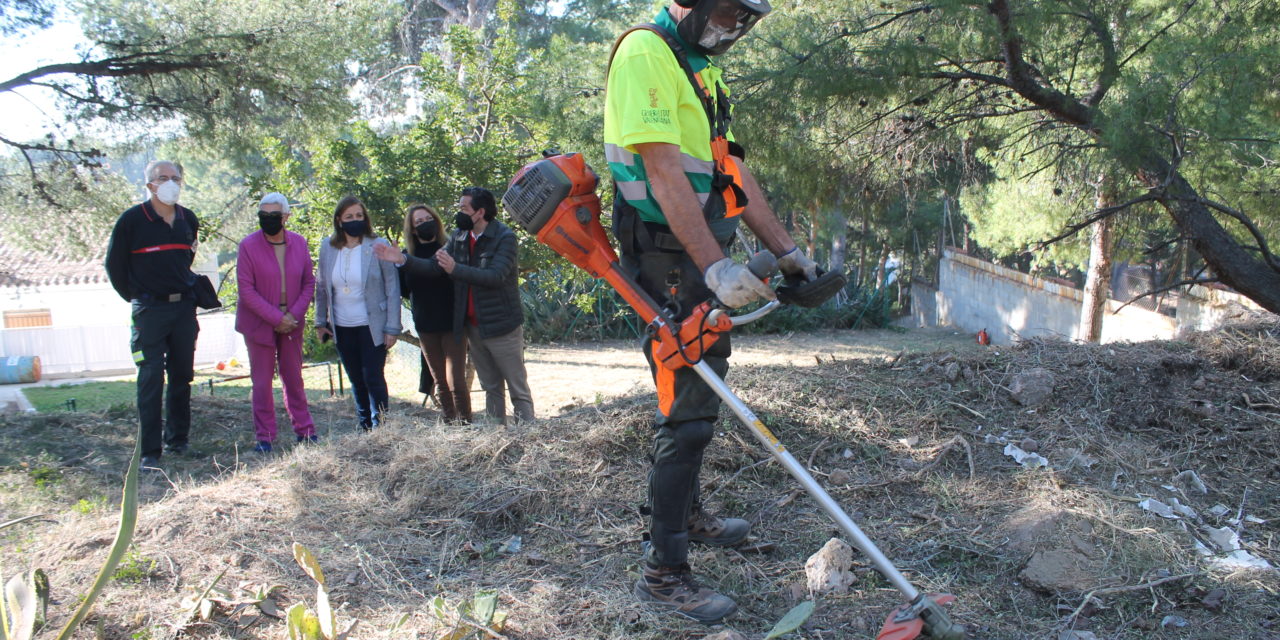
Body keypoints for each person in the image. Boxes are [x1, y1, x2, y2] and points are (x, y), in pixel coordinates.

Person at [604, 0, 835, 623]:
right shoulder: (647, 54)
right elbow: (663, 174)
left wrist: (788, 254)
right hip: (667, 255)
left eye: (747, 16)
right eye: (731, 9)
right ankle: (663, 573)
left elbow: (729, 169)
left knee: (703, 392)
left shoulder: (697, 66)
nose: (736, 24)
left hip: (698, 249)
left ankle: (687, 516)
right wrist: (714, 267)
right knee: (687, 415)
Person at [374, 187, 532, 424]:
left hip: (502, 326)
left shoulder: (504, 237)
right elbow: (433, 266)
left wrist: (455, 269)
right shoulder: (459, 236)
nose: (458, 213)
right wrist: (402, 260)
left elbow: (495, 276)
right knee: (491, 387)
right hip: (474, 327)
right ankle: (495, 439)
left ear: (479, 212)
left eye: (463, 208)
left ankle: (528, 436)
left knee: (517, 388)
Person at [105, 160, 202, 470]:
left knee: (182, 376)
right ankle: (150, 450)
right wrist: (139, 299)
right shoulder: (132, 221)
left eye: (176, 177)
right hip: (149, 310)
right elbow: (115, 267)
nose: (170, 182)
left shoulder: (188, 218)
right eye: (163, 178)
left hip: (183, 309)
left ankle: (178, 440)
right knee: (150, 378)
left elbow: (187, 257)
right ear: (150, 185)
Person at [234, 193, 317, 453]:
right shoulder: (248, 246)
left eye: (274, 215)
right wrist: (276, 318)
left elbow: (308, 282)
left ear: (286, 217)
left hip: (292, 323)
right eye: (263, 215)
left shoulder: (300, 243)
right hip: (259, 323)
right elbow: (246, 290)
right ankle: (265, 437)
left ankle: (305, 431)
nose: (268, 220)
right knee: (261, 382)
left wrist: (293, 316)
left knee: (293, 378)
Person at [314, 196, 401, 431]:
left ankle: (381, 426)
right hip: (342, 325)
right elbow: (321, 286)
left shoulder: (377, 245)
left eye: (359, 216)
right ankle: (364, 426)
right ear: (339, 221)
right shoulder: (328, 247)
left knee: (373, 376)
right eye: (349, 217)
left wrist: (393, 328)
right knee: (356, 379)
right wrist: (320, 321)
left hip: (372, 325)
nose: (355, 221)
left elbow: (393, 289)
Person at [398, 203, 471, 423]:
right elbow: (404, 290)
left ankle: (466, 425)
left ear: (436, 221)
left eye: (427, 219)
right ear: (411, 229)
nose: (424, 224)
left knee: (456, 381)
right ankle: (450, 423)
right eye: (418, 222)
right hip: (426, 326)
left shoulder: (451, 248)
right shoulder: (406, 256)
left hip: (452, 324)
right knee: (439, 381)